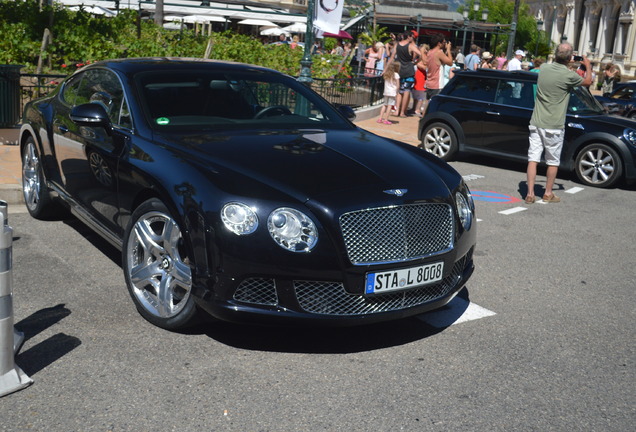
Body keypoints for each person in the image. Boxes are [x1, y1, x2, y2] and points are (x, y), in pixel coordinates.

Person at [525, 42, 592, 204]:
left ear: (555, 55)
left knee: (533, 159)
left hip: (537, 121)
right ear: (570, 58)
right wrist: (587, 66)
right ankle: (548, 193)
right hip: (554, 124)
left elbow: (558, 68)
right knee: (552, 161)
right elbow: (588, 82)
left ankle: (530, 193)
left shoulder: (544, 69)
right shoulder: (568, 75)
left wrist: (567, 62)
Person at [394, 31, 420, 117]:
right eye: (412, 37)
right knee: (406, 91)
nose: (413, 38)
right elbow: (420, 54)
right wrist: (415, 62)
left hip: (399, 70)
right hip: (409, 70)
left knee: (399, 91)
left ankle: (397, 110)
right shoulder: (411, 46)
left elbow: (392, 57)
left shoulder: (397, 45)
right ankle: (402, 112)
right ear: (409, 37)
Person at [426, 34, 453, 100]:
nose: (444, 44)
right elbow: (450, 63)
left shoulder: (430, 52)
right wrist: (448, 49)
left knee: (428, 104)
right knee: (435, 105)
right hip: (437, 84)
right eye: (443, 42)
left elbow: (441, 61)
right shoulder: (438, 52)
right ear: (439, 43)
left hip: (429, 83)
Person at [411, 44, 429, 117]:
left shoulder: (426, 57)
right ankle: (414, 108)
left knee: (420, 95)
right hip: (417, 76)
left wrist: (419, 64)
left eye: (422, 48)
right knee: (415, 93)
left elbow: (425, 65)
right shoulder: (420, 57)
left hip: (422, 77)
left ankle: (417, 109)